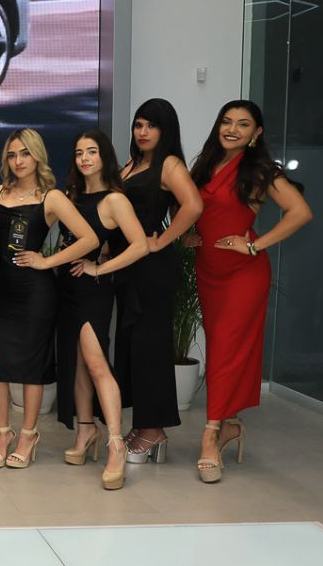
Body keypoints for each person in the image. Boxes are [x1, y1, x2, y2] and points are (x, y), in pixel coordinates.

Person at [187, 100, 311, 483]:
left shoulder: (259, 170)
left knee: (225, 349)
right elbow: (193, 210)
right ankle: (230, 423)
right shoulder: (204, 166)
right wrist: (188, 234)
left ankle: (210, 435)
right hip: (208, 271)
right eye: (227, 121)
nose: (232, 129)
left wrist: (256, 245)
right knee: (223, 348)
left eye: (243, 124)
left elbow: (300, 212)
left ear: (256, 134)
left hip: (244, 274)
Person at [0, 129, 98, 470]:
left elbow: (89, 238)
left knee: (31, 367)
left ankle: (28, 434)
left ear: (37, 156)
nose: (18, 161)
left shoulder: (51, 197)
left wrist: (47, 262)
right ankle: (3, 433)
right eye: (12, 155)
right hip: (5, 291)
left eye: (25, 154)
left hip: (36, 293)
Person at [54, 130, 149, 490]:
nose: (84, 158)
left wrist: (99, 268)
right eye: (79, 153)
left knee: (95, 364)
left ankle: (116, 444)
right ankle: (85, 431)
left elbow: (139, 245)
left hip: (92, 292)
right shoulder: (71, 195)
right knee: (77, 364)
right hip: (66, 288)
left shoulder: (114, 200)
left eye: (91, 151)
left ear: (104, 156)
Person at [117, 99, 202, 463]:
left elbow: (193, 205)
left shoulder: (169, 164)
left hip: (151, 269)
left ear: (165, 131)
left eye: (151, 125)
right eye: (138, 125)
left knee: (150, 348)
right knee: (134, 348)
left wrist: (162, 241)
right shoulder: (132, 164)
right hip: (128, 266)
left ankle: (153, 430)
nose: (143, 132)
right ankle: (144, 424)